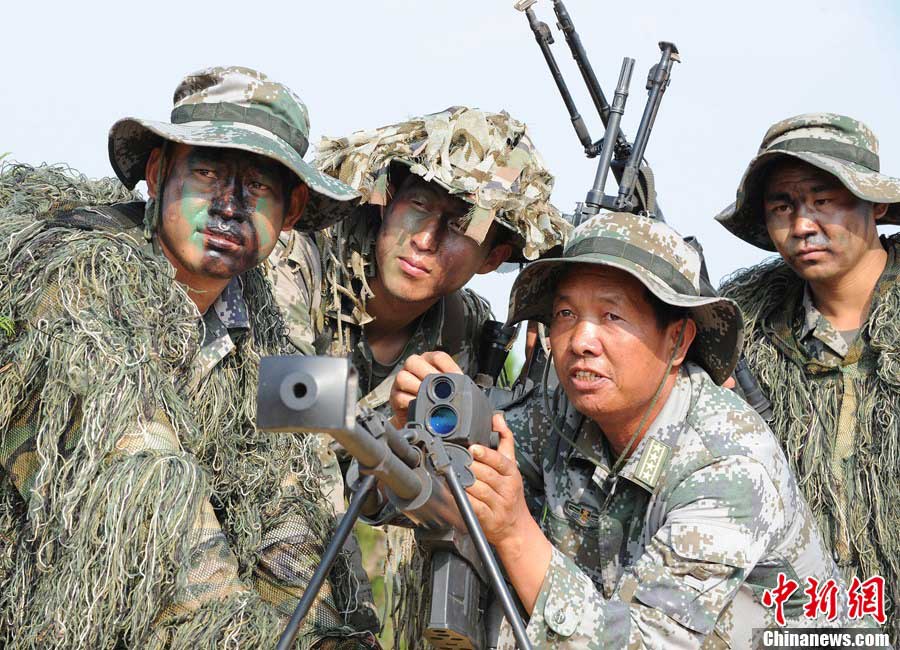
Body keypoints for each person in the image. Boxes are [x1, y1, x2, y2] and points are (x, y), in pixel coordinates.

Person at [0, 66, 373, 649]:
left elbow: (290, 507)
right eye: (206, 173)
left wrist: (323, 638)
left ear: (293, 211)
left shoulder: (267, 326)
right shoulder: (75, 284)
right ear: (156, 175)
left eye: (258, 187)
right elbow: (148, 508)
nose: (230, 206)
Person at [392, 211, 854, 648]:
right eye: (566, 315)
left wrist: (515, 531)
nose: (581, 342)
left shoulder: (727, 463)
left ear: (677, 340)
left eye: (612, 317)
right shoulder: (563, 410)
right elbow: (425, 496)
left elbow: (644, 642)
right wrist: (423, 434)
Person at [265, 106, 568, 641]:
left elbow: (415, 495)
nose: (424, 239)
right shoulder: (295, 262)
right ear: (386, 202)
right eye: (418, 205)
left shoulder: (466, 330)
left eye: (458, 225)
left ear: (494, 256)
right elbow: (290, 444)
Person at [717, 113, 900, 643]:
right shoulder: (743, 332)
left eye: (824, 200)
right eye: (784, 206)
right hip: (802, 621)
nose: (802, 225)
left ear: (876, 202)